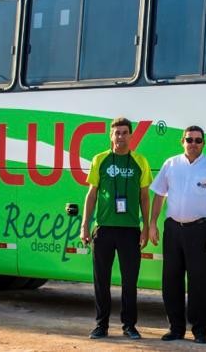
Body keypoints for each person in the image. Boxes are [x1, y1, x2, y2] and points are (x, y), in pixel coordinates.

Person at [148, 125, 206, 344]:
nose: (193, 144)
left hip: (199, 231)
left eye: (198, 140)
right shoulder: (170, 164)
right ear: (182, 141)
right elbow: (158, 195)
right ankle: (175, 328)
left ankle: (200, 330)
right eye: (189, 139)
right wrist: (153, 223)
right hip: (173, 230)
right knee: (171, 280)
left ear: (203, 143)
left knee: (199, 282)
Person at [80, 117, 152, 340]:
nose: (120, 136)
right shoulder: (99, 160)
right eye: (117, 133)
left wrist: (146, 227)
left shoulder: (140, 161)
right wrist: (85, 225)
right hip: (103, 229)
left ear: (131, 135)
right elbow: (91, 194)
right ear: (111, 136)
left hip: (130, 230)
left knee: (130, 282)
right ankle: (101, 326)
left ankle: (129, 326)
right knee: (101, 280)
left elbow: (144, 197)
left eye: (124, 132)